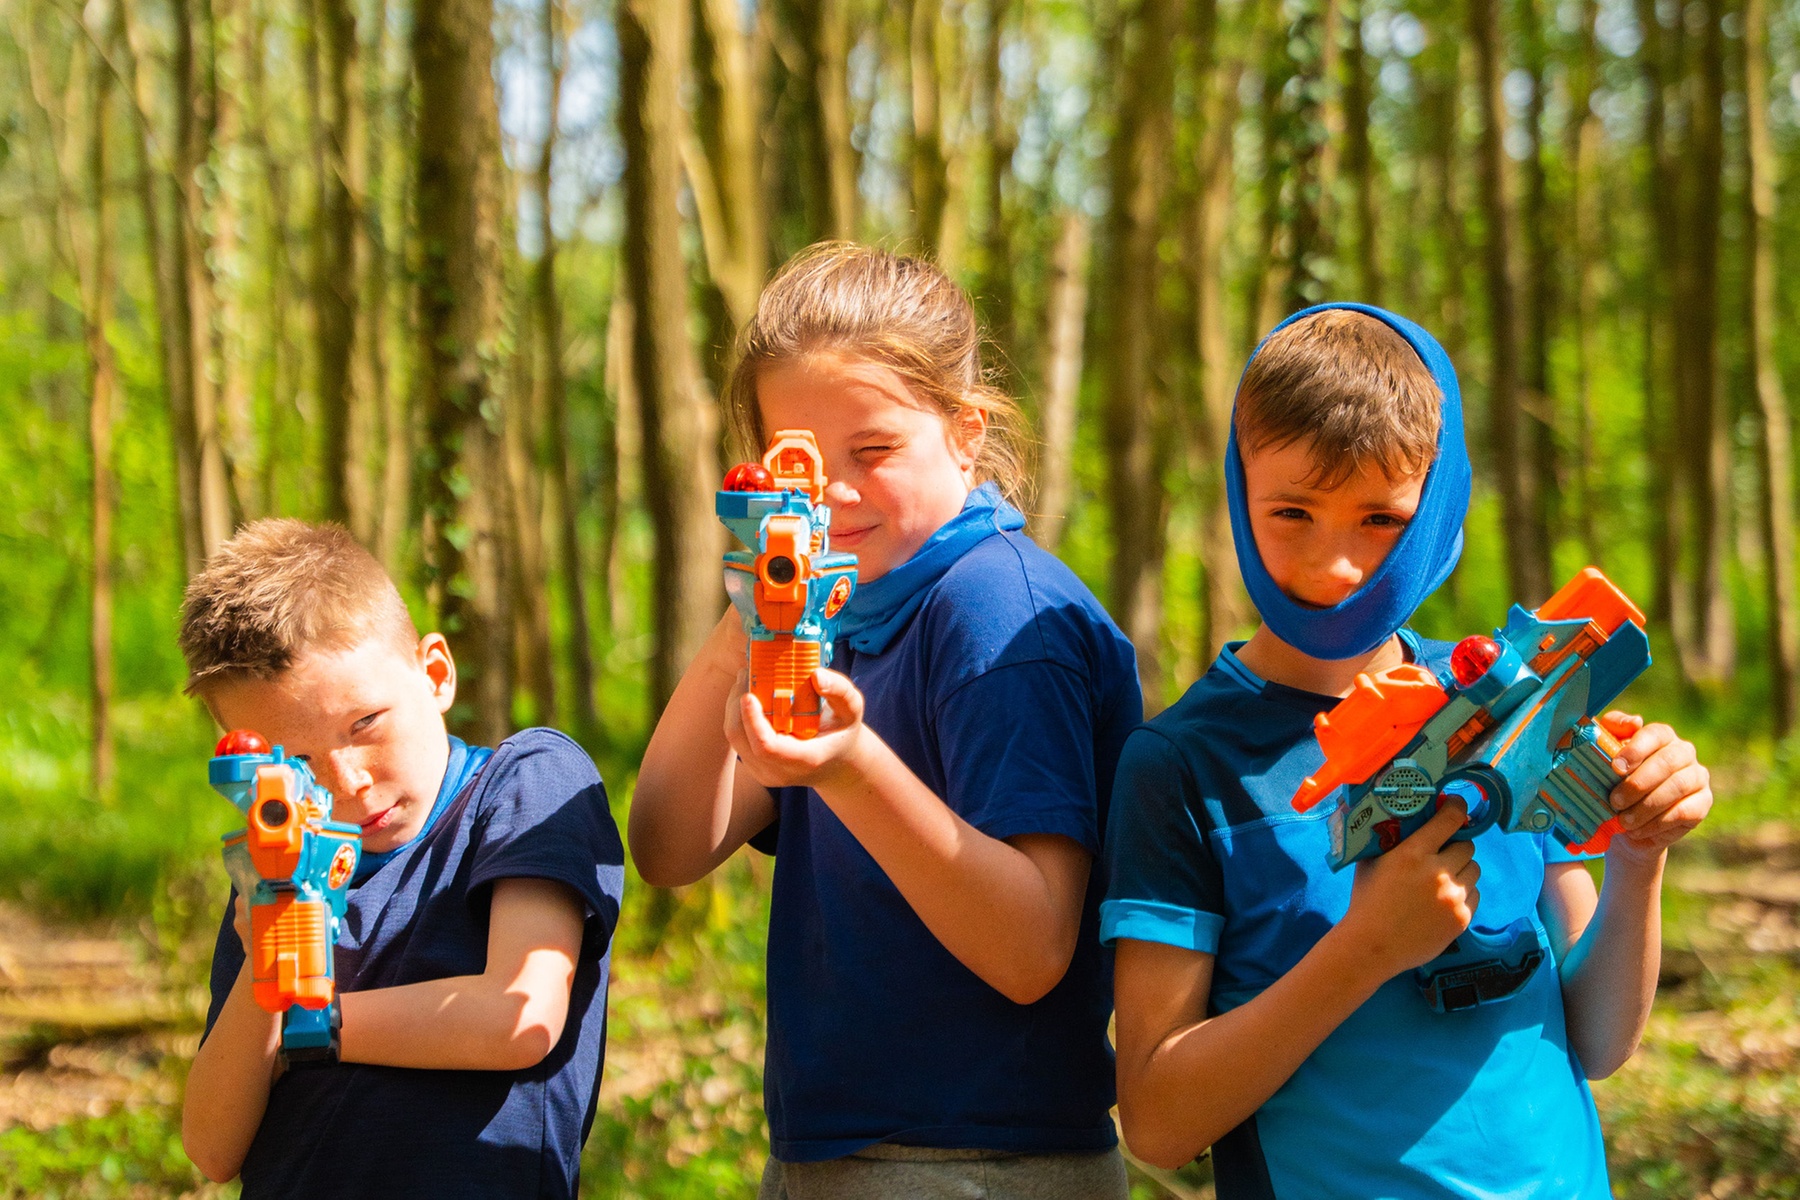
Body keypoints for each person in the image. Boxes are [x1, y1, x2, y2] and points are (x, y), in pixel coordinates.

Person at [1103, 304, 1714, 1197]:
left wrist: (1640, 854)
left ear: (1442, 499)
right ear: (1240, 495)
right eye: (1292, 512)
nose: (1336, 565)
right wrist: (1367, 949)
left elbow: (1600, 1038)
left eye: (1381, 519)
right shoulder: (1182, 767)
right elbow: (1157, 1122)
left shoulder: (1508, 699)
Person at [630, 242, 1142, 1199]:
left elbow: (1033, 949)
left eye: (873, 451)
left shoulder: (999, 615)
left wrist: (850, 765)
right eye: (800, 465)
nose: (834, 493)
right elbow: (668, 843)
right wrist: (751, 612)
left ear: (965, 430)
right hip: (833, 1152)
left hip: (982, 1164)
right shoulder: (847, 613)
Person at [177, 519, 624, 1199]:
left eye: (365, 725)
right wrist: (267, 974)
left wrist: (313, 1021)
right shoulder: (283, 862)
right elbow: (213, 1147)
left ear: (435, 673)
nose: (347, 782)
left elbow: (518, 1016)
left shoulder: (527, 782)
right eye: (295, 764)